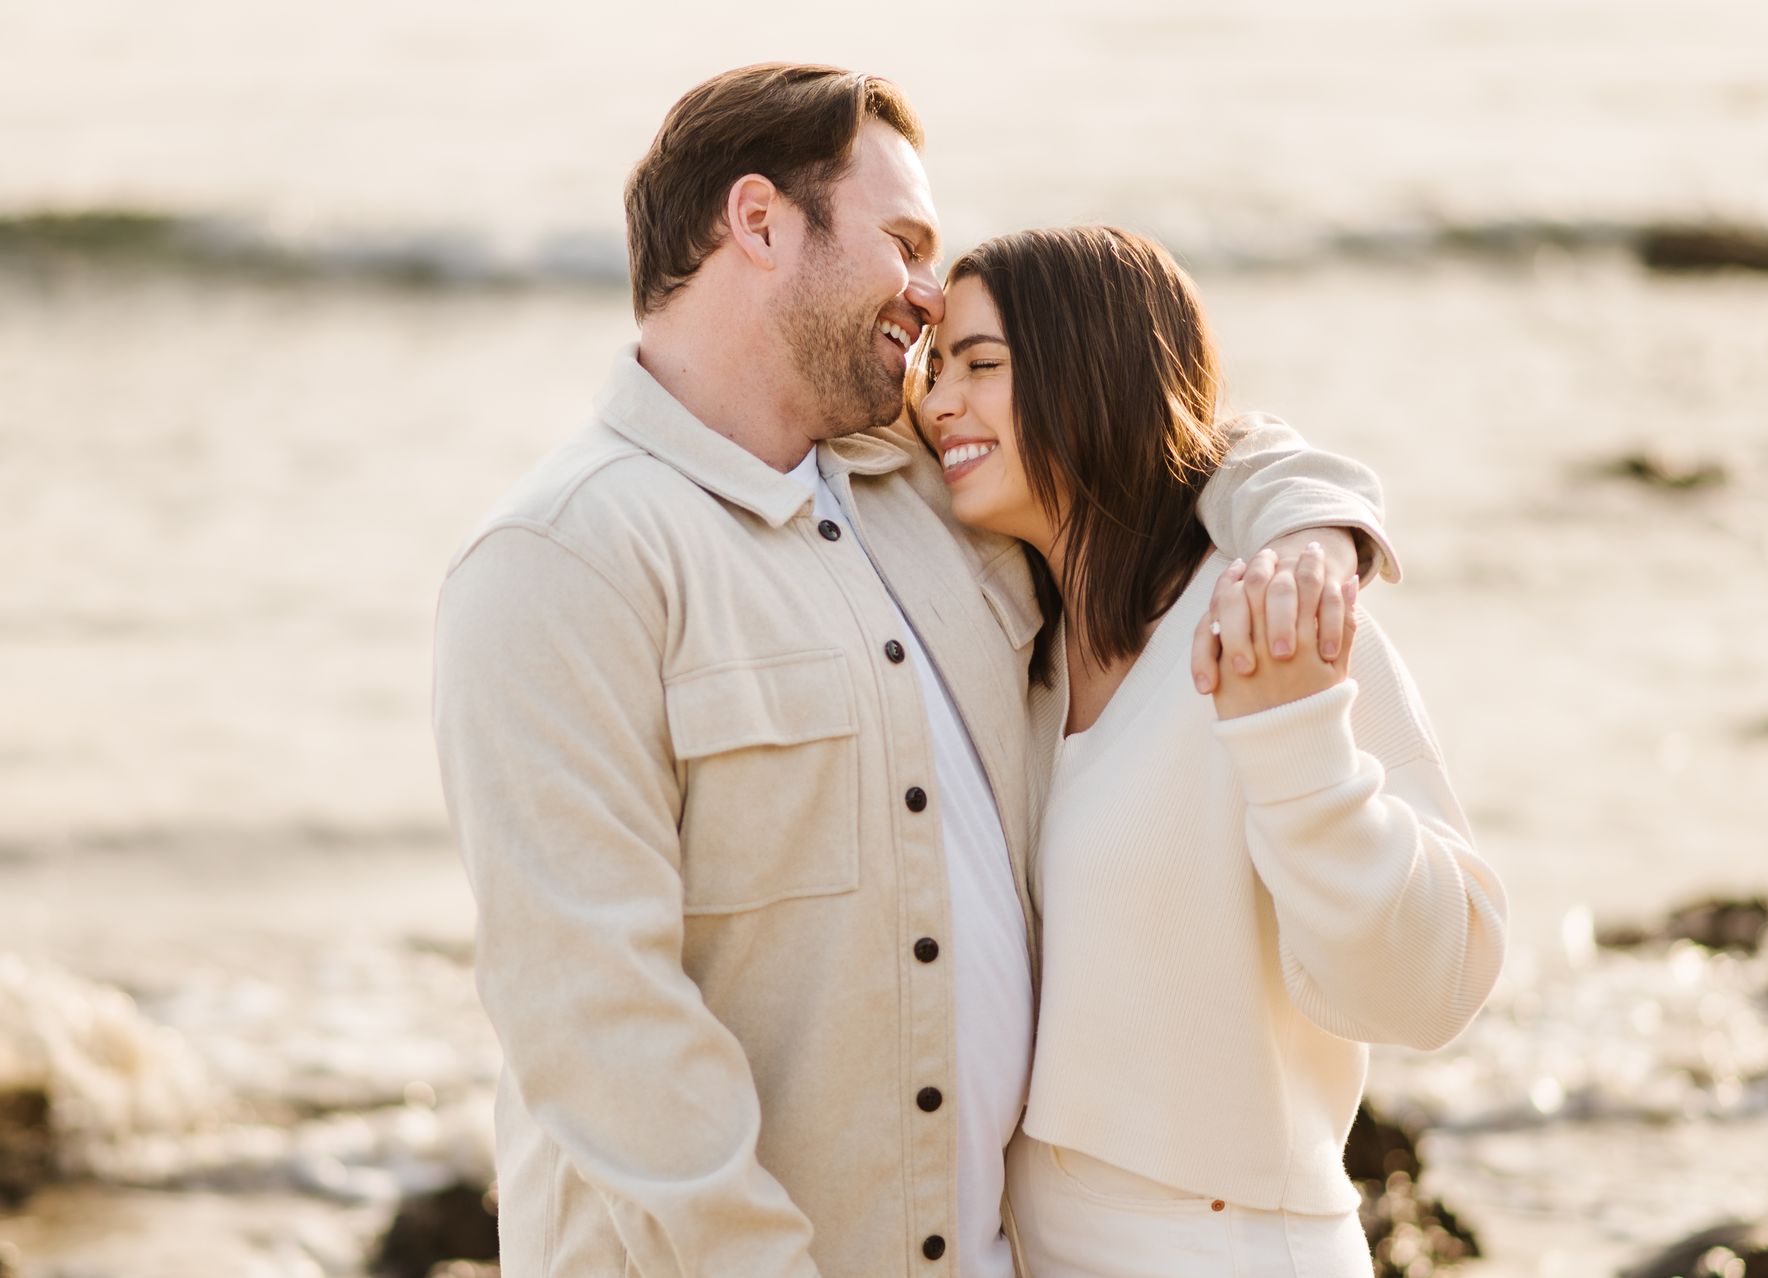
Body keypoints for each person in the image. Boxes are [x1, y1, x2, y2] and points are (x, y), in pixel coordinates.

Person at [432, 65, 1397, 1277]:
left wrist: (1313, 526)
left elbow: (1169, 437)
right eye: (904, 242)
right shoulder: (563, 557)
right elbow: (595, 1020)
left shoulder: (929, 489)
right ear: (763, 223)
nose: (931, 294)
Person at [912, 225, 1507, 1278]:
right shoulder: (1024, 655)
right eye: (934, 365)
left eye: (981, 365)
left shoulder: (1270, 618)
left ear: (1090, 374)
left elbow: (1438, 978)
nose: (937, 401)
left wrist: (1300, 758)